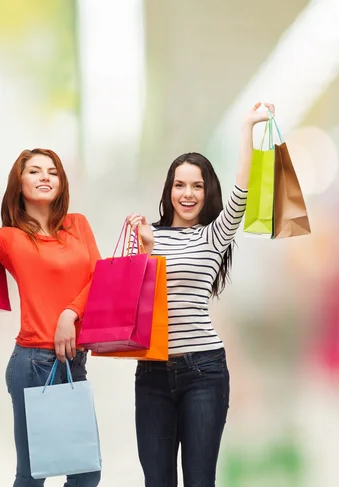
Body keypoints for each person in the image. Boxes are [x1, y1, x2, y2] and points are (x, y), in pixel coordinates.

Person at [126, 102, 275, 486]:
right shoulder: (148, 234)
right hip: (152, 374)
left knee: (199, 480)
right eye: (180, 184)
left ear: (207, 191)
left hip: (204, 372)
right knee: (157, 481)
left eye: (197, 185)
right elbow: (134, 302)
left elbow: (242, 189)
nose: (187, 194)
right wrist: (143, 249)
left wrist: (248, 128)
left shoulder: (213, 235)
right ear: (169, 189)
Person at [0, 148, 102, 487]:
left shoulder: (78, 225)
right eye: (34, 171)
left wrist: (70, 312)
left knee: (86, 474)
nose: (45, 176)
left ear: (62, 183)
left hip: (74, 361)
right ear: (19, 185)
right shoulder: (12, 239)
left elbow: (99, 277)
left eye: (52, 171)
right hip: (33, 362)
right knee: (35, 473)